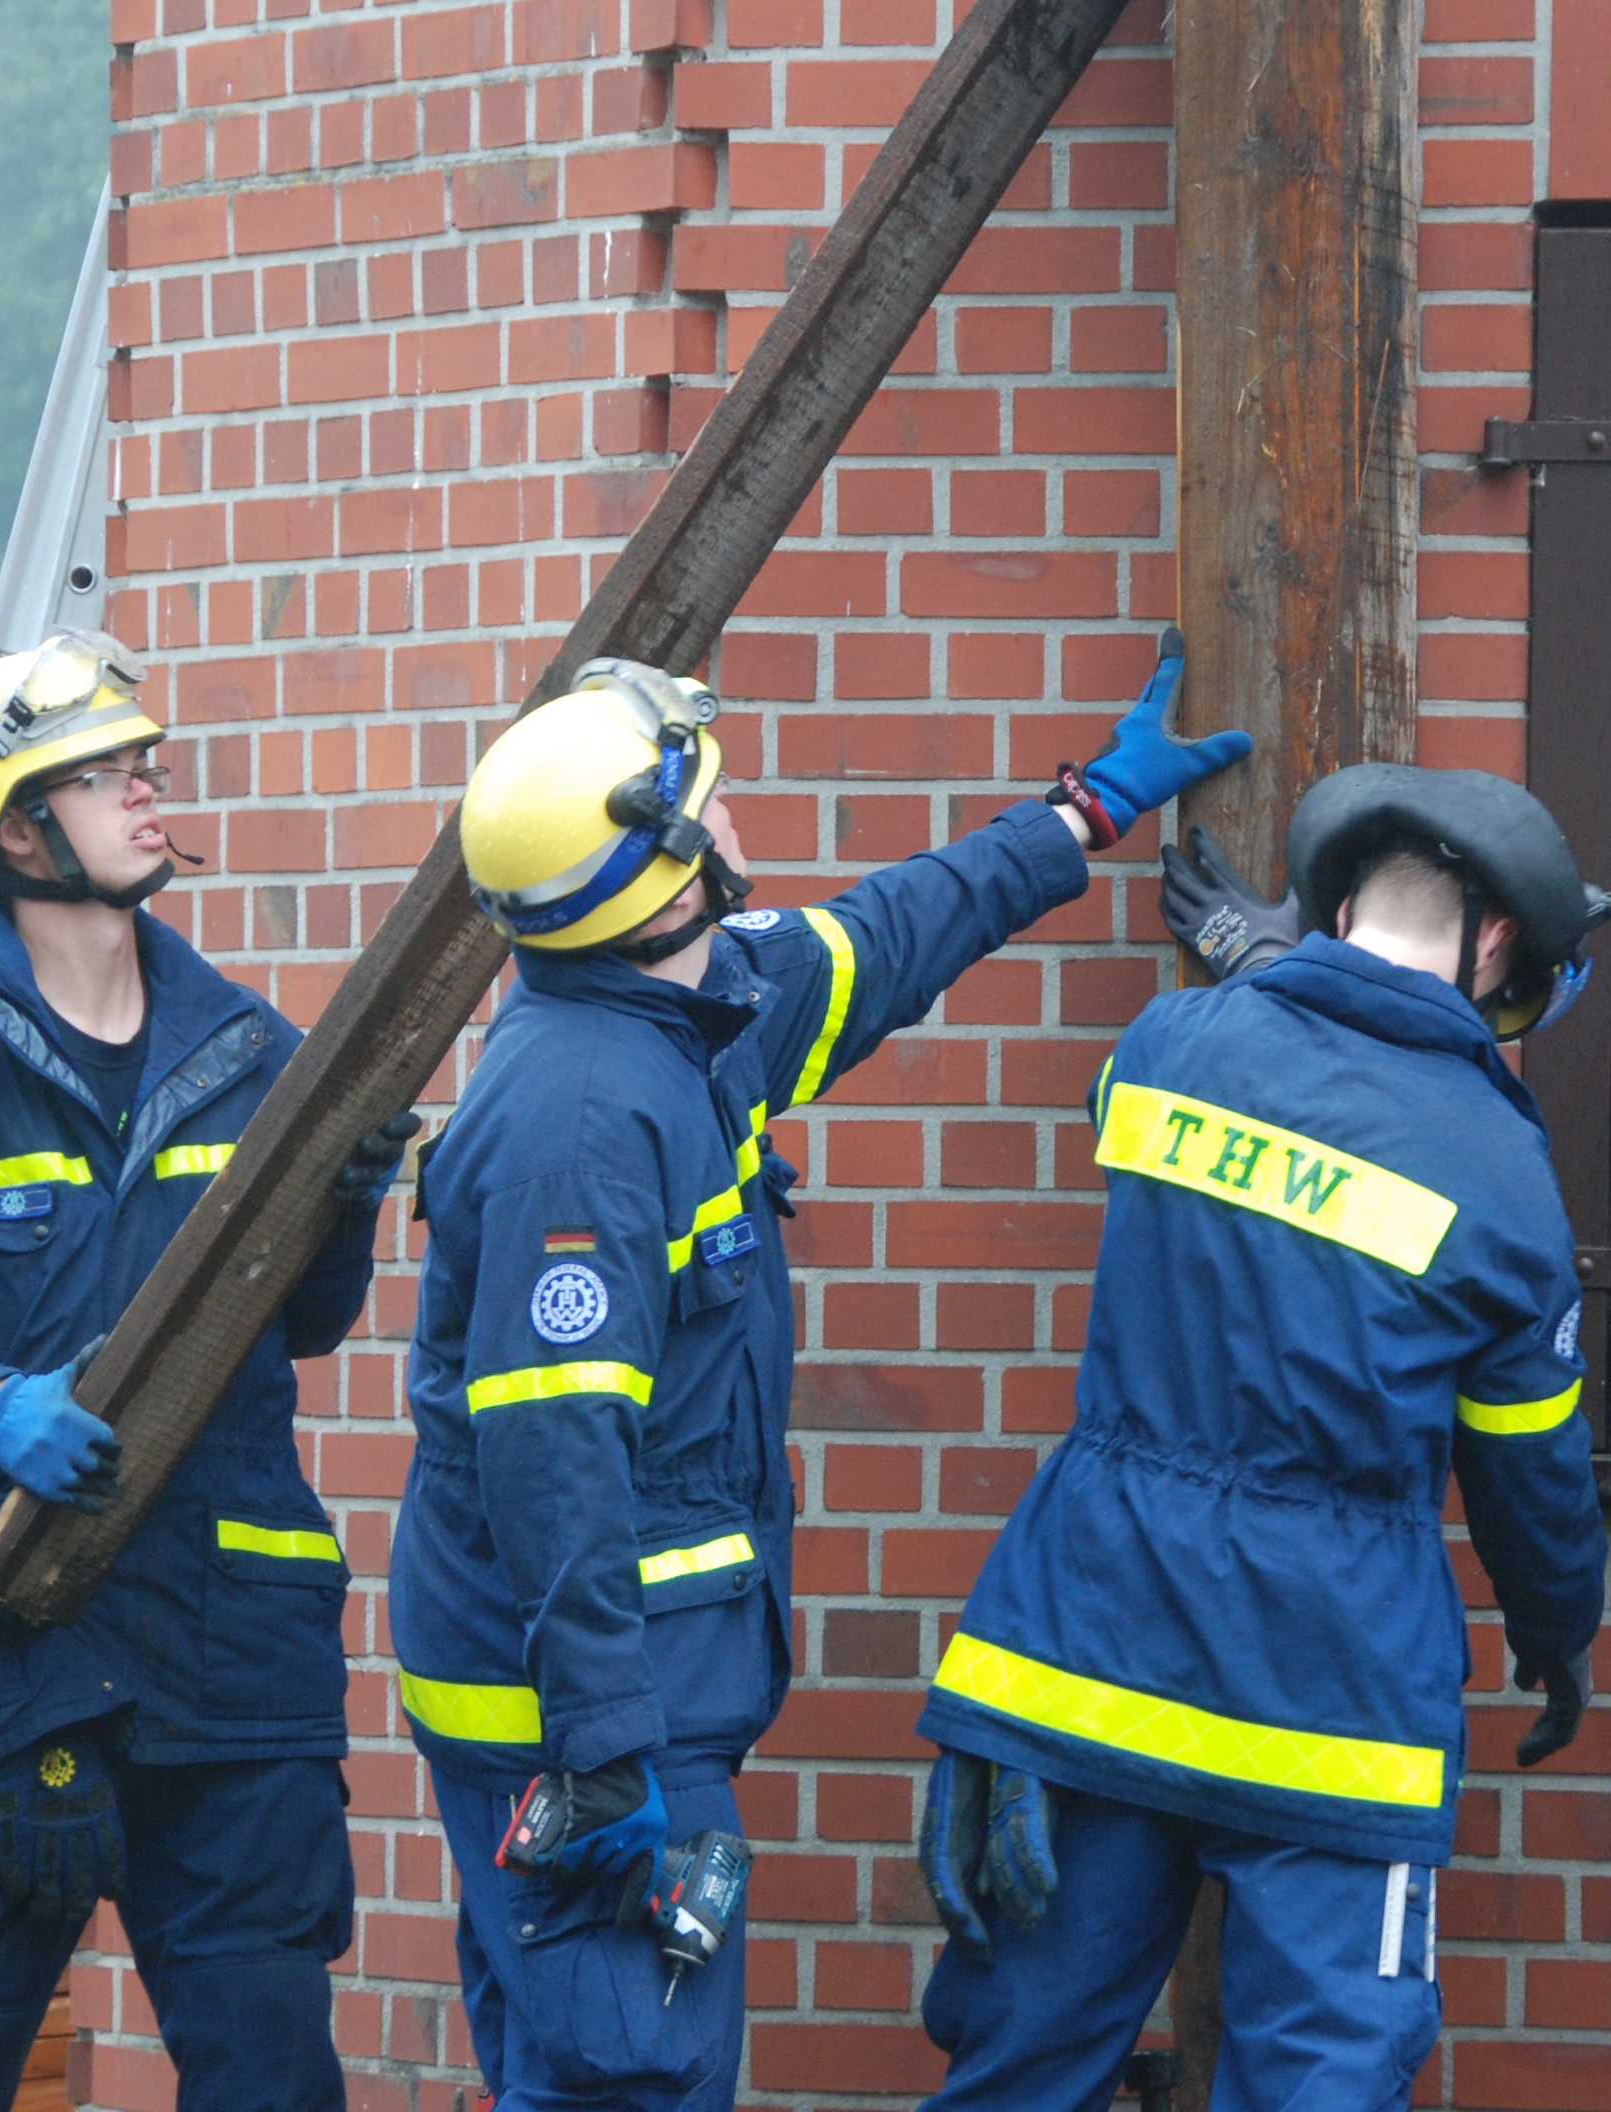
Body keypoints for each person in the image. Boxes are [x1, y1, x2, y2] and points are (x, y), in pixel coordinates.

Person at [393, 641, 1248, 2111]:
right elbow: (555, 1460)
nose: (735, 821)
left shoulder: (685, 1012)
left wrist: (1084, 812)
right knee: (631, 2079)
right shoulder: (587, 1119)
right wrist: (605, 1755)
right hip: (589, 1728)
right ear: (660, 877)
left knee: (589, 2075)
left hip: (627, 1700)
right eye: (708, 808)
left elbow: (883, 940)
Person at [909, 765, 1611, 2111]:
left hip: (1084, 1656)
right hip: (1330, 1699)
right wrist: (1557, 1631)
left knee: (1020, 2067)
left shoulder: (1177, 1043)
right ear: (1505, 944)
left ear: (1333, 902)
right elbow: (1530, 1473)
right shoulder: (1498, 1167)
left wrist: (1266, 973)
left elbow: (1178, 1126)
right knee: (1324, 2084)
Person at [0, 633, 416, 2111]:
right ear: (18, 830)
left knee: (270, 2081)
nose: (148, 793)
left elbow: (306, 1325)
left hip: (232, 1655)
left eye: (146, 766)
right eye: (105, 776)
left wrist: (349, 1200)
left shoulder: (259, 1052)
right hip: (14, 1661)